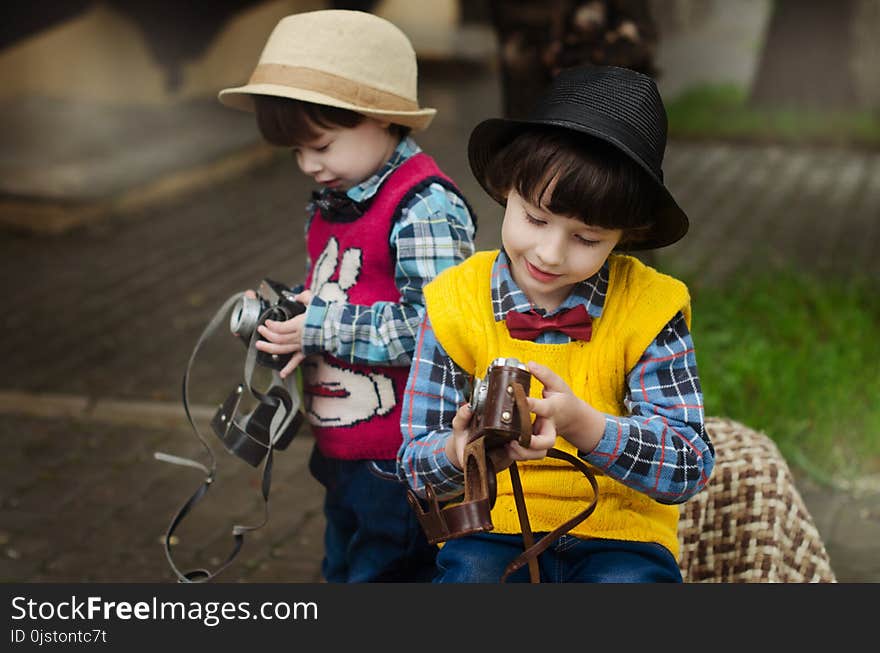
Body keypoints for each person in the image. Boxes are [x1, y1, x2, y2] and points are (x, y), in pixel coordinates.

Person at [397, 65, 714, 583]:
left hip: (621, 535)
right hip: (491, 528)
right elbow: (413, 465)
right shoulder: (455, 300)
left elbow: (689, 465)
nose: (549, 253)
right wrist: (460, 450)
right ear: (506, 189)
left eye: (586, 238)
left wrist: (585, 426)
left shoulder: (652, 307)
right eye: (535, 219)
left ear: (625, 235)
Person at [217, 10, 476, 582]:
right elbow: (344, 292)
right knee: (344, 565)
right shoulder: (340, 195)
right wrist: (287, 311)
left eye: (321, 144)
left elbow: (442, 329)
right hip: (343, 446)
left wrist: (320, 327)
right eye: (295, 153)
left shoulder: (423, 208)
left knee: (384, 576)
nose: (309, 165)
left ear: (383, 119)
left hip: (401, 454)